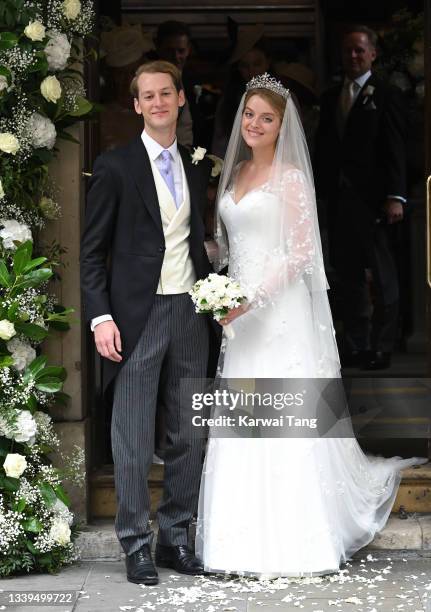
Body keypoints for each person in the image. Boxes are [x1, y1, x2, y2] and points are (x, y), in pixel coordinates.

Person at [195, 73, 426, 578]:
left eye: (267, 118)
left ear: (282, 126)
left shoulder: (291, 178)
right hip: (240, 317)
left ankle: (296, 537)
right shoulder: (232, 177)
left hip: (278, 313)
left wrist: (250, 297)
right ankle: (239, 539)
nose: (255, 124)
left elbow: (300, 253)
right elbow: (228, 245)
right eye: (249, 115)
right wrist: (209, 280)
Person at [80, 60, 220, 585]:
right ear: (136, 105)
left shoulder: (198, 164)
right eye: (148, 96)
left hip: (189, 311)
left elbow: (200, 239)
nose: (159, 102)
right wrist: (100, 318)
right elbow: (92, 255)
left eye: (167, 93)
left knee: (189, 432)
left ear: (181, 99)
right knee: (133, 439)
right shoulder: (114, 167)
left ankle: (175, 538)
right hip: (136, 318)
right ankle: (136, 544)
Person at [314, 25, 407, 370]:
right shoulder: (331, 95)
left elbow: (395, 147)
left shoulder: (386, 94)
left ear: (372, 54)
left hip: (374, 201)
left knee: (383, 277)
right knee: (347, 275)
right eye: (347, 51)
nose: (353, 57)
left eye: (359, 50)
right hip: (339, 202)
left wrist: (395, 195)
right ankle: (356, 343)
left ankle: (382, 345)